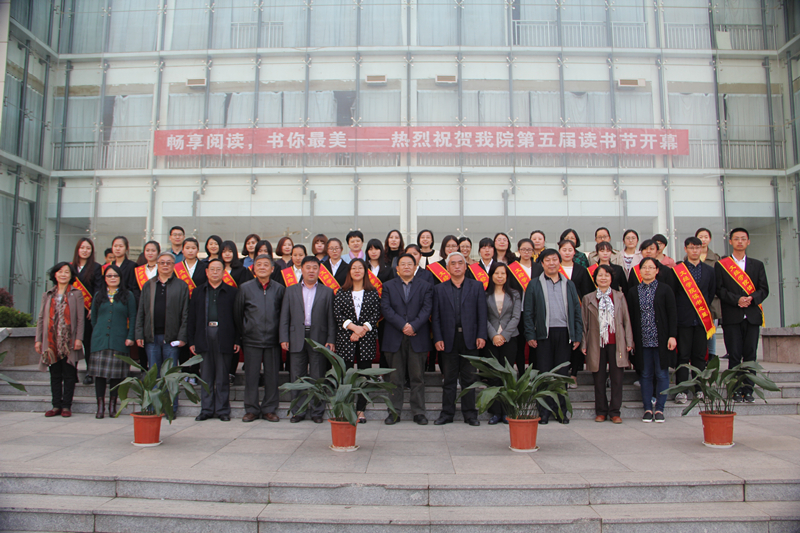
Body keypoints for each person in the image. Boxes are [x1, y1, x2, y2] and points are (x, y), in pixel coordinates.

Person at [523, 249, 583, 424]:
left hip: (565, 334)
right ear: (542, 264)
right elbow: (528, 313)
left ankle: (561, 411)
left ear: (559, 262)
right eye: (547, 260)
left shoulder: (569, 284)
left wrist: (577, 335)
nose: (551, 263)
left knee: (561, 375)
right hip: (543, 334)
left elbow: (576, 311)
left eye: (554, 259)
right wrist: (530, 334)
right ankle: (544, 412)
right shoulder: (534, 284)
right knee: (544, 374)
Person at [432, 252, 488, 426]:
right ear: (447, 267)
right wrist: (438, 338)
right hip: (448, 339)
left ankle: (470, 414)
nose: (457, 266)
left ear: (465, 266)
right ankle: (446, 414)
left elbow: (482, 313)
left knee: (469, 379)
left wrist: (481, 335)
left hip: (470, 338)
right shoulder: (439, 289)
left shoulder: (476, 286)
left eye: (460, 263)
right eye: (453, 263)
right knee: (449, 379)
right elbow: (436, 317)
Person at [279, 256, 336, 423]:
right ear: (302, 269)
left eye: (314, 268)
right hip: (296, 336)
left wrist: (331, 339)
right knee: (297, 376)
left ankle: (317, 412)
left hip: (319, 337)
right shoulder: (290, 290)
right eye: (308, 267)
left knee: (318, 375)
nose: (311, 271)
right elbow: (284, 316)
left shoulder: (327, 291)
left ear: (319, 271)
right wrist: (284, 337)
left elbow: (331, 319)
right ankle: (298, 411)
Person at [715, 228, 769, 403]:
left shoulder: (757, 265)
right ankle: (735, 389)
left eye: (743, 239)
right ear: (730, 241)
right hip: (732, 316)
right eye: (736, 238)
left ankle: (748, 389)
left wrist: (751, 299)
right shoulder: (722, 265)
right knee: (735, 354)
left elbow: (764, 289)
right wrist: (737, 300)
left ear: (748, 242)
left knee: (750, 354)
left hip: (752, 316)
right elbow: (719, 289)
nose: (740, 241)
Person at [381, 253, 433, 425]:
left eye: (410, 264)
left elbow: (427, 309)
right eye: (402, 264)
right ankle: (394, 412)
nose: (406, 267)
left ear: (415, 267)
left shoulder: (425, 286)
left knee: (417, 378)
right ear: (397, 268)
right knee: (395, 378)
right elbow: (386, 308)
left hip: (418, 336)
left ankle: (419, 412)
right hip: (395, 336)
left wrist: (413, 326)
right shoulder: (388, 286)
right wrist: (403, 325)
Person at [135, 252, 190, 412]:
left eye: (169, 263)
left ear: (174, 265)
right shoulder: (149, 285)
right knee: (153, 374)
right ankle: (153, 407)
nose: (165, 265)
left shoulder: (181, 285)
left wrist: (182, 336)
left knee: (170, 375)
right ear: (157, 265)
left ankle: (170, 407)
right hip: (151, 337)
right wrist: (139, 333)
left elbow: (185, 313)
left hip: (172, 338)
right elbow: (141, 311)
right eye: (162, 262)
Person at [234, 254, 285, 422]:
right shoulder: (245, 288)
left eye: (266, 265)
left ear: (272, 269)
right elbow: (238, 314)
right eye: (259, 264)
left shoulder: (279, 289)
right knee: (251, 376)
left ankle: (269, 409)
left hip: (273, 339)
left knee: (272, 376)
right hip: (251, 339)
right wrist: (245, 332)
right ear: (253, 269)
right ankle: (251, 409)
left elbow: (283, 314)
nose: (262, 267)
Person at [189, 258, 240, 422]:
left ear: (224, 272)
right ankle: (206, 409)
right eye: (212, 269)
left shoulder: (232, 292)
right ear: (207, 272)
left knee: (223, 376)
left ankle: (223, 410)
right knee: (206, 376)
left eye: (219, 269)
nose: (215, 272)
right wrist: (191, 341)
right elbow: (191, 318)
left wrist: (237, 340)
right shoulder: (198, 292)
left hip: (224, 335)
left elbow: (237, 318)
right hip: (204, 335)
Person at [581, 265, 633, 424]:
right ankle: (601, 411)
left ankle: (615, 411)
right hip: (596, 343)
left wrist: (629, 341)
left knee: (617, 379)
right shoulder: (588, 298)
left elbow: (626, 320)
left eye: (606, 275)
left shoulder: (619, 296)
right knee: (599, 378)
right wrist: (584, 343)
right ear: (595, 279)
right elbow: (584, 323)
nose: (603, 278)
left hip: (616, 342)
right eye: (600, 275)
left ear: (611, 278)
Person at [627, 257, 677, 423]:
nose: (647, 270)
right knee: (646, 374)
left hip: (661, 339)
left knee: (662, 374)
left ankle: (660, 409)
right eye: (644, 267)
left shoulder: (665, 289)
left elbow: (672, 314)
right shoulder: (633, 291)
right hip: (642, 340)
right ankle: (648, 408)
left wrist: (672, 336)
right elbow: (630, 317)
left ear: (657, 271)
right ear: (639, 271)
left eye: (651, 267)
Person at [333, 259, 381, 423]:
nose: (357, 271)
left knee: (363, 376)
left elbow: (376, 314)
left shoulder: (372, 292)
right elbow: (338, 314)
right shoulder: (341, 292)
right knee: (346, 376)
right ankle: (346, 408)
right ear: (349, 272)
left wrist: (362, 330)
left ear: (365, 271)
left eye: (360, 268)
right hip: (346, 339)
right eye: (354, 268)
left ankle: (361, 410)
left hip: (366, 339)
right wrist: (354, 328)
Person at [670, 236, 716, 405]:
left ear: (702, 249)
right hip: (683, 320)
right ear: (686, 249)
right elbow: (674, 295)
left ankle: (699, 389)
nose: (695, 251)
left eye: (698, 248)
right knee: (682, 356)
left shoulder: (709, 271)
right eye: (691, 247)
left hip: (702, 320)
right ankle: (681, 390)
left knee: (699, 356)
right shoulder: (677, 271)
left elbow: (710, 293)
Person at [35, 263, 84, 418]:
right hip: (51, 341)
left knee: (69, 374)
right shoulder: (48, 294)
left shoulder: (76, 294)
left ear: (71, 276)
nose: (63, 275)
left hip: (69, 341)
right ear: (55, 275)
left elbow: (80, 319)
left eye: (66, 272)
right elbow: (41, 318)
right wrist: (38, 340)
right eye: (60, 272)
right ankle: (56, 405)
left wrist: (79, 338)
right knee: (55, 374)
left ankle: (66, 406)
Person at [89, 264, 136, 418]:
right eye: (109, 276)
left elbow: (133, 317)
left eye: (115, 276)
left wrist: (130, 337)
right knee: (99, 375)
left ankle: (112, 405)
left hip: (119, 339)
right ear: (105, 278)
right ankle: (100, 406)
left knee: (116, 376)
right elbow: (94, 318)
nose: (112, 278)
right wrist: (98, 332)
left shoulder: (128, 295)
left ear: (120, 278)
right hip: (100, 340)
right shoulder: (98, 295)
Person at [485, 263, 521, 425]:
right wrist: (494, 335)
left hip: (510, 338)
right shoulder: (485, 294)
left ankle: (507, 411)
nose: (500, 276)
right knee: (493, 375)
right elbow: (483, 317)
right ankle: (495, 412)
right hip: (491, 339)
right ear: (491, 275)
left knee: (507, 374)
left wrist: (504, 336)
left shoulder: (515, 294)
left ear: (507, 276)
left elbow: (516, 317)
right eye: (496, 273)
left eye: (503, 273)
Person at [506, 238, 544, 372]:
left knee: (534, 343)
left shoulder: (539, 268)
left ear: (533, 251)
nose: (526, 252)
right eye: (523, 249)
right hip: (518, 311)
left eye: (529, 249)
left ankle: (534, 373)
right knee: (519, 344)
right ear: (519, 251)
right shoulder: (512, 268)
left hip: (535, 311)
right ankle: (521, 373)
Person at [71, 238, 103, 386]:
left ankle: (90, 372)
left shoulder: (96, 267)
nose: (85, 250)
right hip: (72, 310)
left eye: (88, 248)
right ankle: (72, 371)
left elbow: (98, 289)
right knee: (72, 342)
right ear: (77, 249)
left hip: (87, 311)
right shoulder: (70, 267)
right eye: (82, 247)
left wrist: (93, 308)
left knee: (88, 341)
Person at [176, 237, 206, 380]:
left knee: (196, 338)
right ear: (182, 250)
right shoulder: (176, 268)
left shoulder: (204, 267)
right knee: (182, 338)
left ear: (197, 250)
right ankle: (183, 370)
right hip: (180, 307)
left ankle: (195, 371)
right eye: (187, 248)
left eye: (193, 248)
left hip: (199, 307)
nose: (190, 251)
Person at [694, 228, 722, 358]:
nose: (703, 239)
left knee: (711, 328)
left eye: (706, 237)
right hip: (694, 299)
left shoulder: (716, 258)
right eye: (700, 237)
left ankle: (711, 354)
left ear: (710, 239)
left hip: (711, 300)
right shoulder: (689, 257)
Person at [106, 236, 139, 302]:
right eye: (115, 246)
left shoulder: (132, 266)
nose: (117, 248)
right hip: (110, 300)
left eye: (121, 246)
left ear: (126, 249)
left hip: (125, 300)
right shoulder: (109, 266)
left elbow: (133, 287)